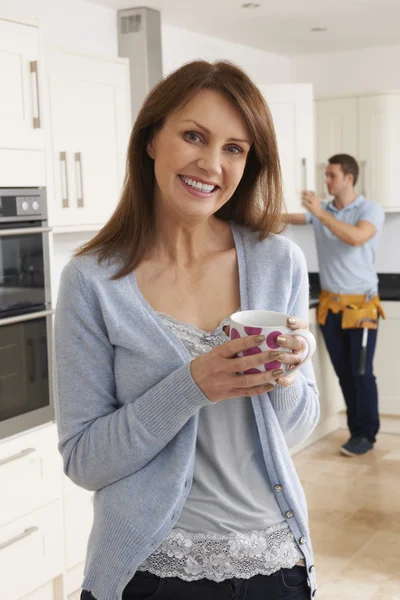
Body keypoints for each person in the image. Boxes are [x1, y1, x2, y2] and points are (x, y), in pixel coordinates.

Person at [54, 60, 320, 600]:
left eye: (234, 148)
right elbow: (84, 460)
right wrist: (192, 385)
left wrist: (289, 375)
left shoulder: (278, 263)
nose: (211, 163)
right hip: (148, 574)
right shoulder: (92, 280)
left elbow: (293, 432)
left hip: (276, 567)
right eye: (194, 136)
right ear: (152, 138)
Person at [286, 154, 385, 457]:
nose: (326, 181)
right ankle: (355, 431)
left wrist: (320, 213)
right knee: (344, 371)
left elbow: (356, 237)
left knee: (361, 372)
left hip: (361, 307)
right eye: (326, 175)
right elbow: (285, 217)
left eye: (331, 175)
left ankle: (366, 434)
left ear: (349, 178)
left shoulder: (369, 209)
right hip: (331, 306)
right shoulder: (323, 211)